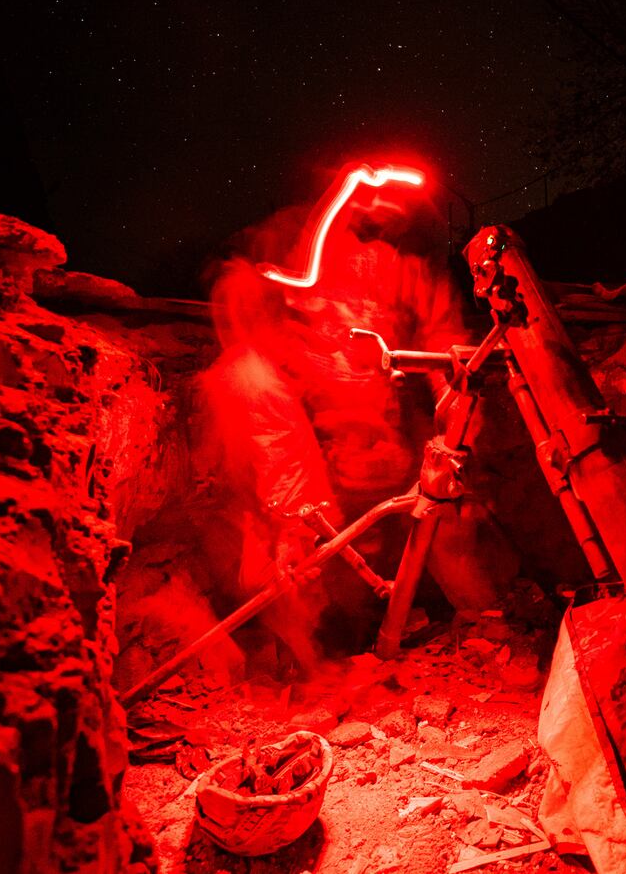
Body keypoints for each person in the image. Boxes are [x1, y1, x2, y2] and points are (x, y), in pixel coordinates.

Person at [199, 155, 512, 671]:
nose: (380, 209)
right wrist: (293, 510)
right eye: (369, 196)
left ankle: (487, 628)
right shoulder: (287, 253)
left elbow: (449, 354)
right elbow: (241, 318)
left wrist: (455, 427)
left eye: (395, 203)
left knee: (452, 488)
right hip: (311, 479)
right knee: (243, 381)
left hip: (390, 464)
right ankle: (300, 665)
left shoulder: (411, 274)